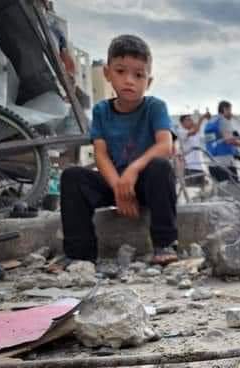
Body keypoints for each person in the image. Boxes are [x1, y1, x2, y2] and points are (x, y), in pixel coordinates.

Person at [59, 34, 178, 266]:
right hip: (113, 182)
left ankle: (165, 243)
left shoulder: (155, 107)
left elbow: (165, 145)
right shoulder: (102, 110)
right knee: (72, 177)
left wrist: (133, 171)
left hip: (144, 184)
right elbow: (101, 154)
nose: (129, 80)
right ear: (107, 73)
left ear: (148, 81)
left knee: (161, 167)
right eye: (121, 71)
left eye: (138, 75)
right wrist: (118, 188)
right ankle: (79, 255)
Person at [204, 101, 240, 183]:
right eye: (230, 110)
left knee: (220, 193)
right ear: (225, 109)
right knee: (232, 191)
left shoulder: (211, 121)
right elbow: (228, 140)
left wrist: (236, 138)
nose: (231, 113)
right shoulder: (224, 120)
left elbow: (217, 139)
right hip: (225, 163)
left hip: (212, 164)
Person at [177, 112, 209, 186]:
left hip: (200, 167)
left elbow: (196, 130)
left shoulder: (195, 131)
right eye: (188, 120)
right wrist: (201, 118)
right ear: (182, 123)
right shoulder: (181, 131)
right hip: (189, 167)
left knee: (202, 194)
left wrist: (196, 122)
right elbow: (193, 132)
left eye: (191, 119)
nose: (190, 121)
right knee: (193, 191)